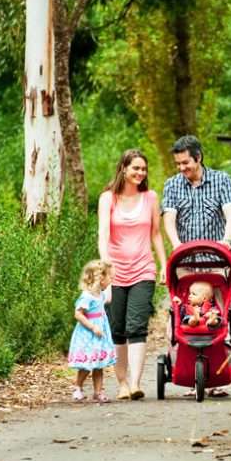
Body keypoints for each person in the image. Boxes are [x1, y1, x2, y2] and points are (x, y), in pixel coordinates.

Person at [162, 135, 231, 396]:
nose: (182, 168)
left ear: (198, 157)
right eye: (178, 164)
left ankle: (217, 374)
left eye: (186, 163)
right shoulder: (172, 185)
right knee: (183, 312)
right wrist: (176, 244)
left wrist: (226, 240)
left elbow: (230, 212)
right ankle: (186, 372)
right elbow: (170, 218)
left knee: (218, 311)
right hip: (185, 262)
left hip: (215, 262)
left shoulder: (221, 180)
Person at [98, 149, 167, 401]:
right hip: (115, 271)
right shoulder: (108, 198)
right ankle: (123, 383)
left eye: (143, 169)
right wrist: (106, 269)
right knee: (117, 329)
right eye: (135, 168)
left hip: (143, 269)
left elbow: (156, 234)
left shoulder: (150, 197)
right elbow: (103, 235)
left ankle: (136, 383)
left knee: (136, 325)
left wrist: (164, 264)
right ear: (124, 169)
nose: (140, 173)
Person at [68, 260, 117, 403]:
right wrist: (92, 327)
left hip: (100, 334)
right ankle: (78, 387)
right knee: (87, 364)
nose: (111, 280)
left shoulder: (100, 295)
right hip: (88, 335)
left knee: (99, 364)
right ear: (101, 279)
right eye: (110, 277)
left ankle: (98, 391)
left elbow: (106, 302)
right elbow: (78, 314)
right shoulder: (87, 296)